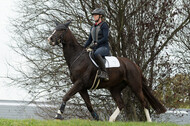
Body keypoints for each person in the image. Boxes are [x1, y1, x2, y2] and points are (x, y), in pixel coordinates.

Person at [84, 8, 110, 80]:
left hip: (104, 47)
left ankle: (105, 73)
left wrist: (96, 44)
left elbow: (105, 38)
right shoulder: (92, 27)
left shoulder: (104, 25)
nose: (94, 17)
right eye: (93, 15)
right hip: (95, 47)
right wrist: (83, 47)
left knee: (96, 54)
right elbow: (89, 40)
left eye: (95, 15)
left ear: (100, 16)